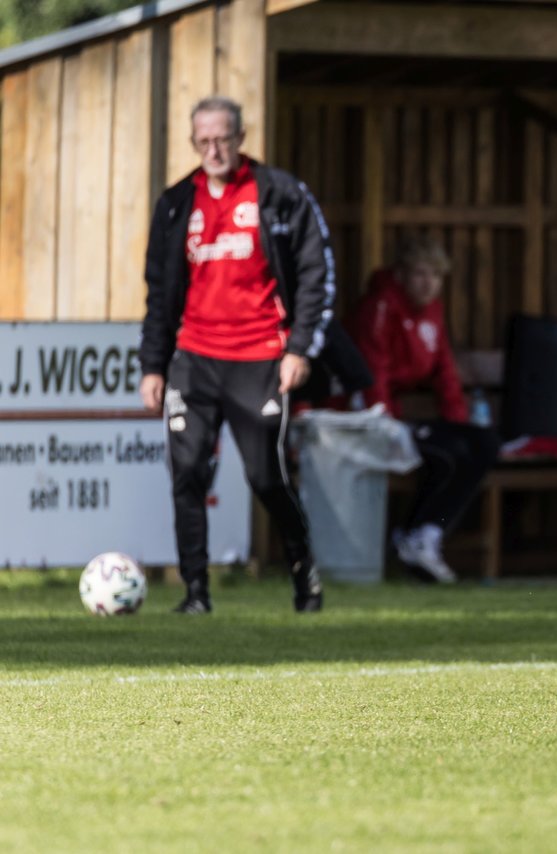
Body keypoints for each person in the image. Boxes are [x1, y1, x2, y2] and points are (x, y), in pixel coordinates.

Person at [140, 95, 333, 614]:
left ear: (241, 137)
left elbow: (318, 273)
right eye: (203, 140)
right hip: (194, 358)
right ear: (193, 143)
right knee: (186, 473)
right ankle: (196, 593)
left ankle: (304, 575)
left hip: (261, 359)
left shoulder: (280, 194)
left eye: (223, 138)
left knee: (265, 477)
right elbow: (160, 292)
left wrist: (300, 350)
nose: (214, 148)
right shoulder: (178, 202)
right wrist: (153, 365)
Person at [349, 240, 499, 583]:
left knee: (483, 443)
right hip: (371, 419)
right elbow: (374, 372)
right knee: (449, 453)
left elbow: (444, 371)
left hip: (405, 418)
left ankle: (424, 532)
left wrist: (458, 422)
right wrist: (384, 421)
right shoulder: (381, 307)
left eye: (435, 275)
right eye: (420, 274)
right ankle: (414, 534)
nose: (428, 283)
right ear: (401, 275)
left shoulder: (433, 311)